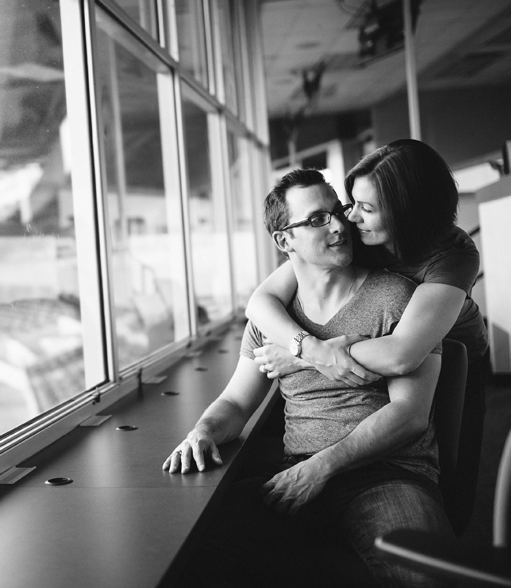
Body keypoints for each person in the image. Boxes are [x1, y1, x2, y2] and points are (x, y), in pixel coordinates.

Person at [164, 169, 451, 587]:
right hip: (296, 472)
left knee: (422, 576)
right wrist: (203, 431)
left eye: (337, 211)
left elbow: (410, 414)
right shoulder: (273, 320)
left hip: (387, 474)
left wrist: (321, 468)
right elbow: (236, 403)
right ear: (285, 241)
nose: (339, 225)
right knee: (191, 556)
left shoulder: (396, 298)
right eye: (317, 219)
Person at [245, 139, 488, 534]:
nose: (349, 218)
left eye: (366, 208)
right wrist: (309, 345)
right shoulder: (356, 230)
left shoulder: (453, 254)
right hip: (386, 344)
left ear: (406, 212)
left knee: (457, 477)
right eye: (350, 204)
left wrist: (303, 358)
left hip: (453, 350)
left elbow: (402, 353)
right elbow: (261, 301)